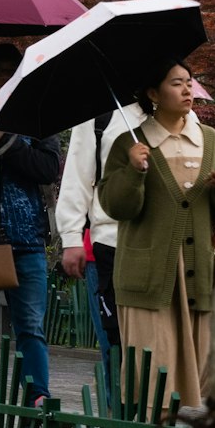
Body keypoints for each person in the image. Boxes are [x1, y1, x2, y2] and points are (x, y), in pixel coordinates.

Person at [97, 60, 215, 410]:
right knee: (153, 366)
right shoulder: (129, 144)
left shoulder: (208, 139)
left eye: (189, 82)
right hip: (148, 276)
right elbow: (117, 207)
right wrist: (133, 171)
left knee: (202, 368)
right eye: (177, 83)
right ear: (152, 93)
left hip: (198, 275)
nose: (188, 90)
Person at [0, 44, 61, 412]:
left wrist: (7, 141)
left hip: (27, 240)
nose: (3, 78)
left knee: (31, 328)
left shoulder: (38, 117)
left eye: (11, 70)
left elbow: (48, 169)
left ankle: (37, 398)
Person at [56, 100, 147, 373]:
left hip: (162, 245)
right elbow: (78, 174)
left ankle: (154, 415)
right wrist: (71, 236)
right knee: (115, 346)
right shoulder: (98, 114)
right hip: (109, 243)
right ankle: (115, 412)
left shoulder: (176, 112)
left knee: (157, 348)